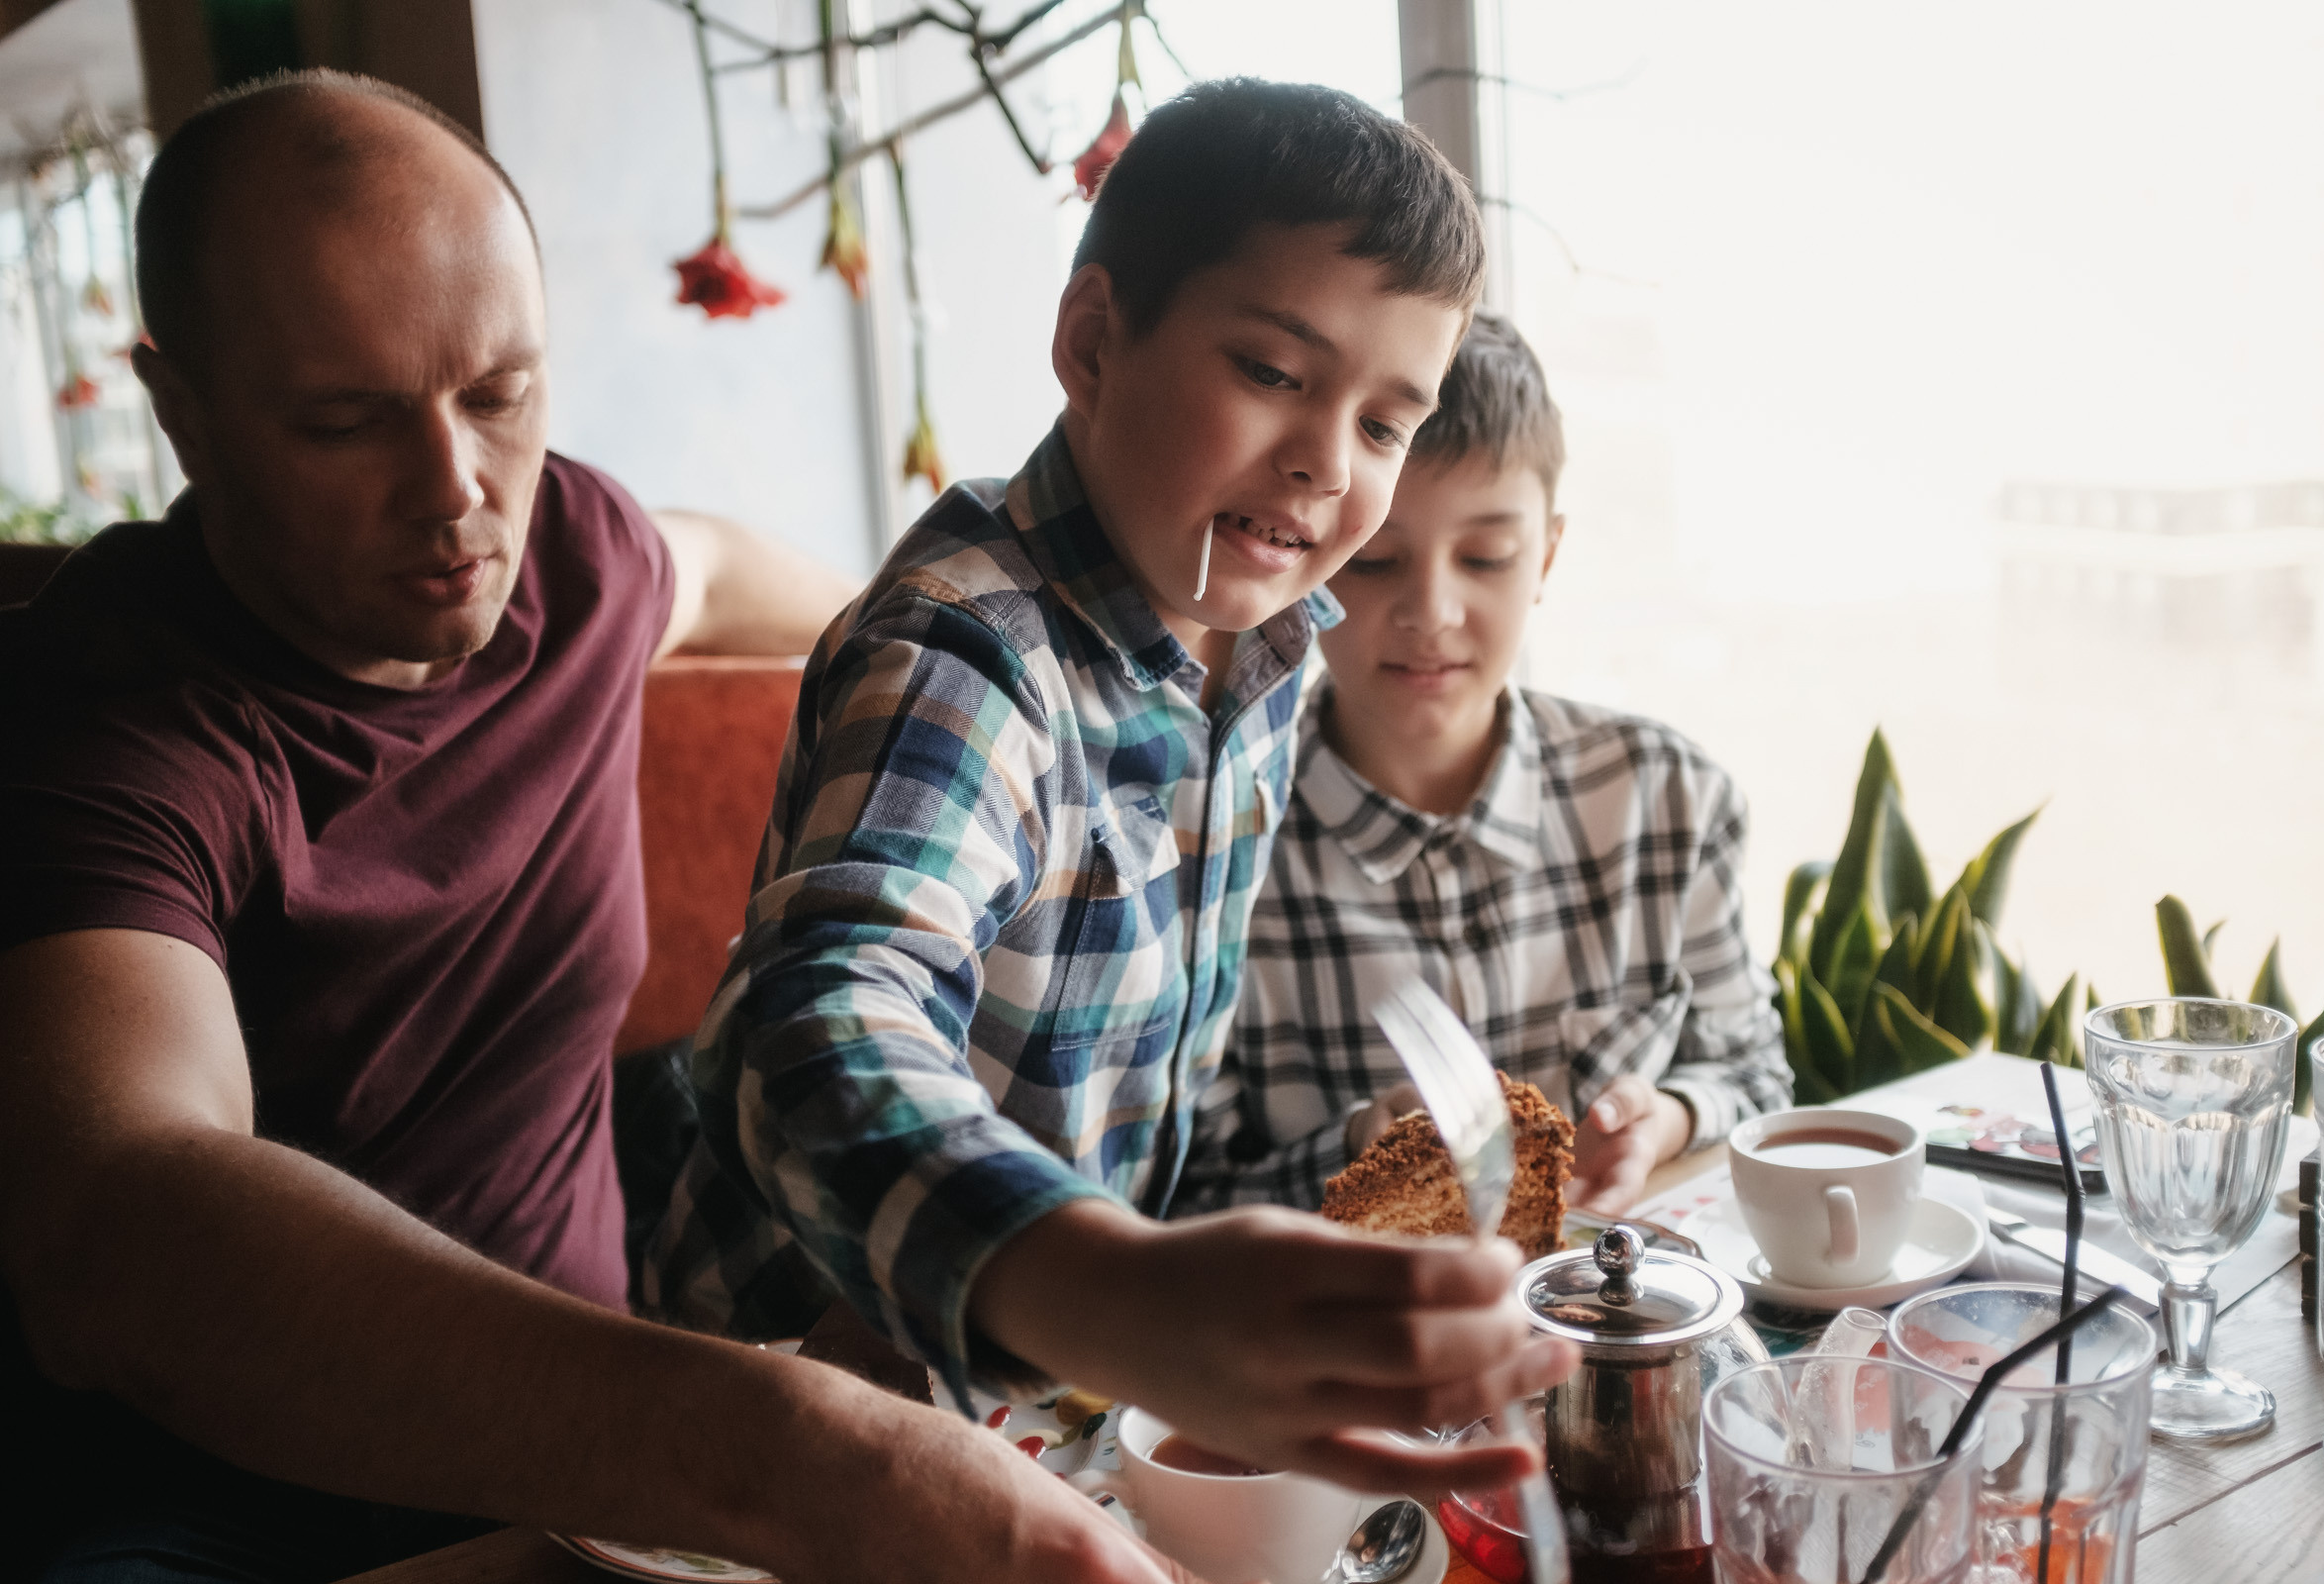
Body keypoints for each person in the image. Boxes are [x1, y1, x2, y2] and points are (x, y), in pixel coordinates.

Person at [0, 70, 1220, 1584]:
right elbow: (121, 1223)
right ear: (179, 410)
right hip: (225, 1511)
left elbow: (734, 578)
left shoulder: (568, 554)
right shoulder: (99, 723)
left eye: (499, 394)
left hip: (613, 1452)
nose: (456, 494)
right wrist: (775, 1450)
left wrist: (979, 704)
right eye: (343, 422)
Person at [645, 78, 1578, 1492]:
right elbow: (811, 1015)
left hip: (1047, 1417)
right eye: (1273, 373)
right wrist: (1106, 1285)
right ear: (1093, 341)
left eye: (1387, 423)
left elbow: (1131, 1106)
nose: (1328, 461)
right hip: (779, 1443)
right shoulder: (968, 659)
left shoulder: (1256, 657)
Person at [1175, 313, 1792, 1221]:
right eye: (1378, 560)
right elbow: (1183, 1200)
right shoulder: (1215, 845)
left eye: (1486, 557)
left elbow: (1755, 1077)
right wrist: (1354, 1156)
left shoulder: (1669, 800)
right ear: (1310, 555)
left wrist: (1671, 1116)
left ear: (1544, 555)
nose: (1431, 611)